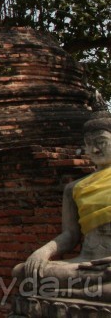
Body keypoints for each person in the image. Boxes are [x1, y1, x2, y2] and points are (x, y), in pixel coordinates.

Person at [14, 111, 111, 291]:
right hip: (86, 263)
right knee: (22, 273)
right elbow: (71, 235)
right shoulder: (74, 188)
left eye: (101, 142)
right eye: (89, 145)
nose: (95, 150)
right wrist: (43, 252)